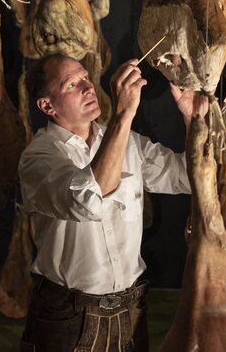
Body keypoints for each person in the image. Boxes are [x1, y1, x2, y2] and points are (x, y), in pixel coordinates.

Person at [18, 52, 209, 352]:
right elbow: (88, 202)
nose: (88, 87)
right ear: (47, 105)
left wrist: (193, 118)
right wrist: (122, 114)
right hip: (67, 317)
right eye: (72, 84)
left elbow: (187, 177)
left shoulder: (128, 141)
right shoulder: (39, 158)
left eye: (85, 78)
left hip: (131, 312)